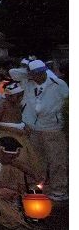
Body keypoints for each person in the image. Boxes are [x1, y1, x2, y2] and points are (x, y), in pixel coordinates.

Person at [20, 59, 69, 202]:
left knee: (57, 160)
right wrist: (26, 72)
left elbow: (68, 102)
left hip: (53, 127)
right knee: (37, 160)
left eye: (40, 73)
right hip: (34, 127)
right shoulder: (28, 84)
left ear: (44, 72)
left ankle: (59, 189)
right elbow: (14, 73)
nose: (38, 76)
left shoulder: (58, 84)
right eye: (35, 74)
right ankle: (39, 187)